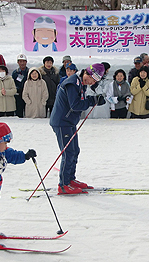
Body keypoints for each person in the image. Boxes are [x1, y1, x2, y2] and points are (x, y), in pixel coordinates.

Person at [50, 63, 106, 194]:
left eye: (94, 81)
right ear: (86, 72)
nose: (90, 82)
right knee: (68, 152)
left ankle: (70, 179)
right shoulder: (73, 83)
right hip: (62, 122)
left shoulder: (80, 82)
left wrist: (94, 99)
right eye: (91, 78)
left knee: (75, 150)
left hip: (69, 122)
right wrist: (93, 101)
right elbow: (75, 105)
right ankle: (63, 185)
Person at [12, 53, 29, 118]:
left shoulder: (29, 71)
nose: (22, 63)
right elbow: (13, 83)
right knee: (19, 112)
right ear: (18, 62)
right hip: (18, 94)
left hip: (28, 94)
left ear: (26, 62)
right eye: (20, 61)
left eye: (23, 61)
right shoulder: (15, 72)